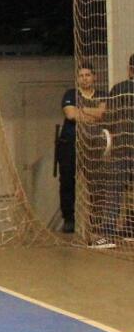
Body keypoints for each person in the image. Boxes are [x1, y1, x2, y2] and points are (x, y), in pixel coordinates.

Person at [58, 64, 106, 235]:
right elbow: (71, 114)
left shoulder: (102, 95)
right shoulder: (70, 94)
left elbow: (102, 114)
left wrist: (83, 110)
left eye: (88, 75)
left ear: (94, 77)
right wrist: (91, 113)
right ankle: (69, 219)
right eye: (81, 75)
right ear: (77, 79)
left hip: (94, 145)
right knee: (67, 181)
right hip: (70, 144)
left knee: (96, 182)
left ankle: (96, 220)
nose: (84, 78)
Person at [92, 53, 133, 248]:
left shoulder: (119, 89)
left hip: (123, 148)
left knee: (115, 191)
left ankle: (107, 234)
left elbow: (108, 117)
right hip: (123, 147)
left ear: (130, 69)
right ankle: (130, 229)